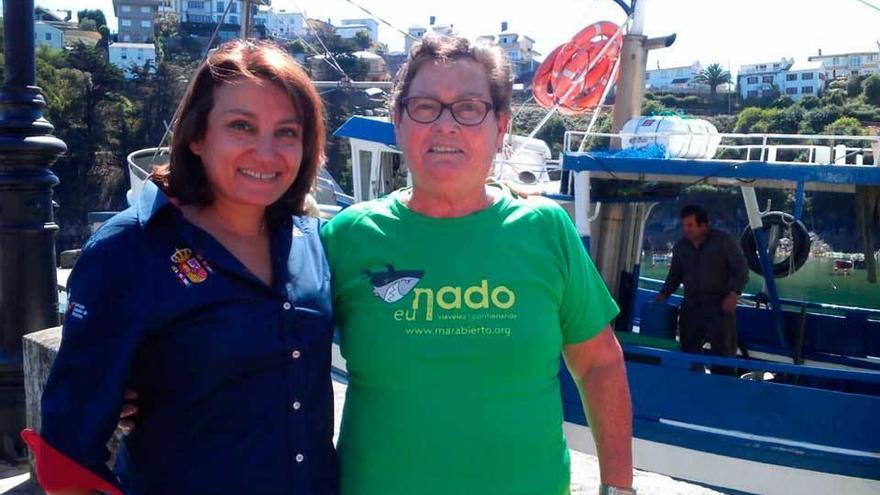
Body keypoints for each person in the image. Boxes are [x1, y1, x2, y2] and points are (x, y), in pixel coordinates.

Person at [321, 34, 635, 495]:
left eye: (468, 108)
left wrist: (617, 489)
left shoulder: (546, 230)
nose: (446, 125)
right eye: (425, 106)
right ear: (398, 121)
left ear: (500, 126)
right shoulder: (346, 238)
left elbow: (599, 365)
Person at [22, 40, 338, 495]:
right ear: (196, 136)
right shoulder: (131, 248)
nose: (266, 153)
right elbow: (66, 455)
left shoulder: (311, 242)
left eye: (287, 132)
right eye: (241, 126)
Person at [656, 205, 749, 368]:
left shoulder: (723, 242)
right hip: (691, 307)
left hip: (719, 306)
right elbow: (675, 275)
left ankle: (723, 387)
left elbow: (741, 270)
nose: (686, 229)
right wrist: (664, 293)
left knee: (724, 354)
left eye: (690, 225)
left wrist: (734, 294)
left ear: (704, 225)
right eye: (684, 225)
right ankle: (693, 385)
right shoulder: (681, 247)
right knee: (689, 351)